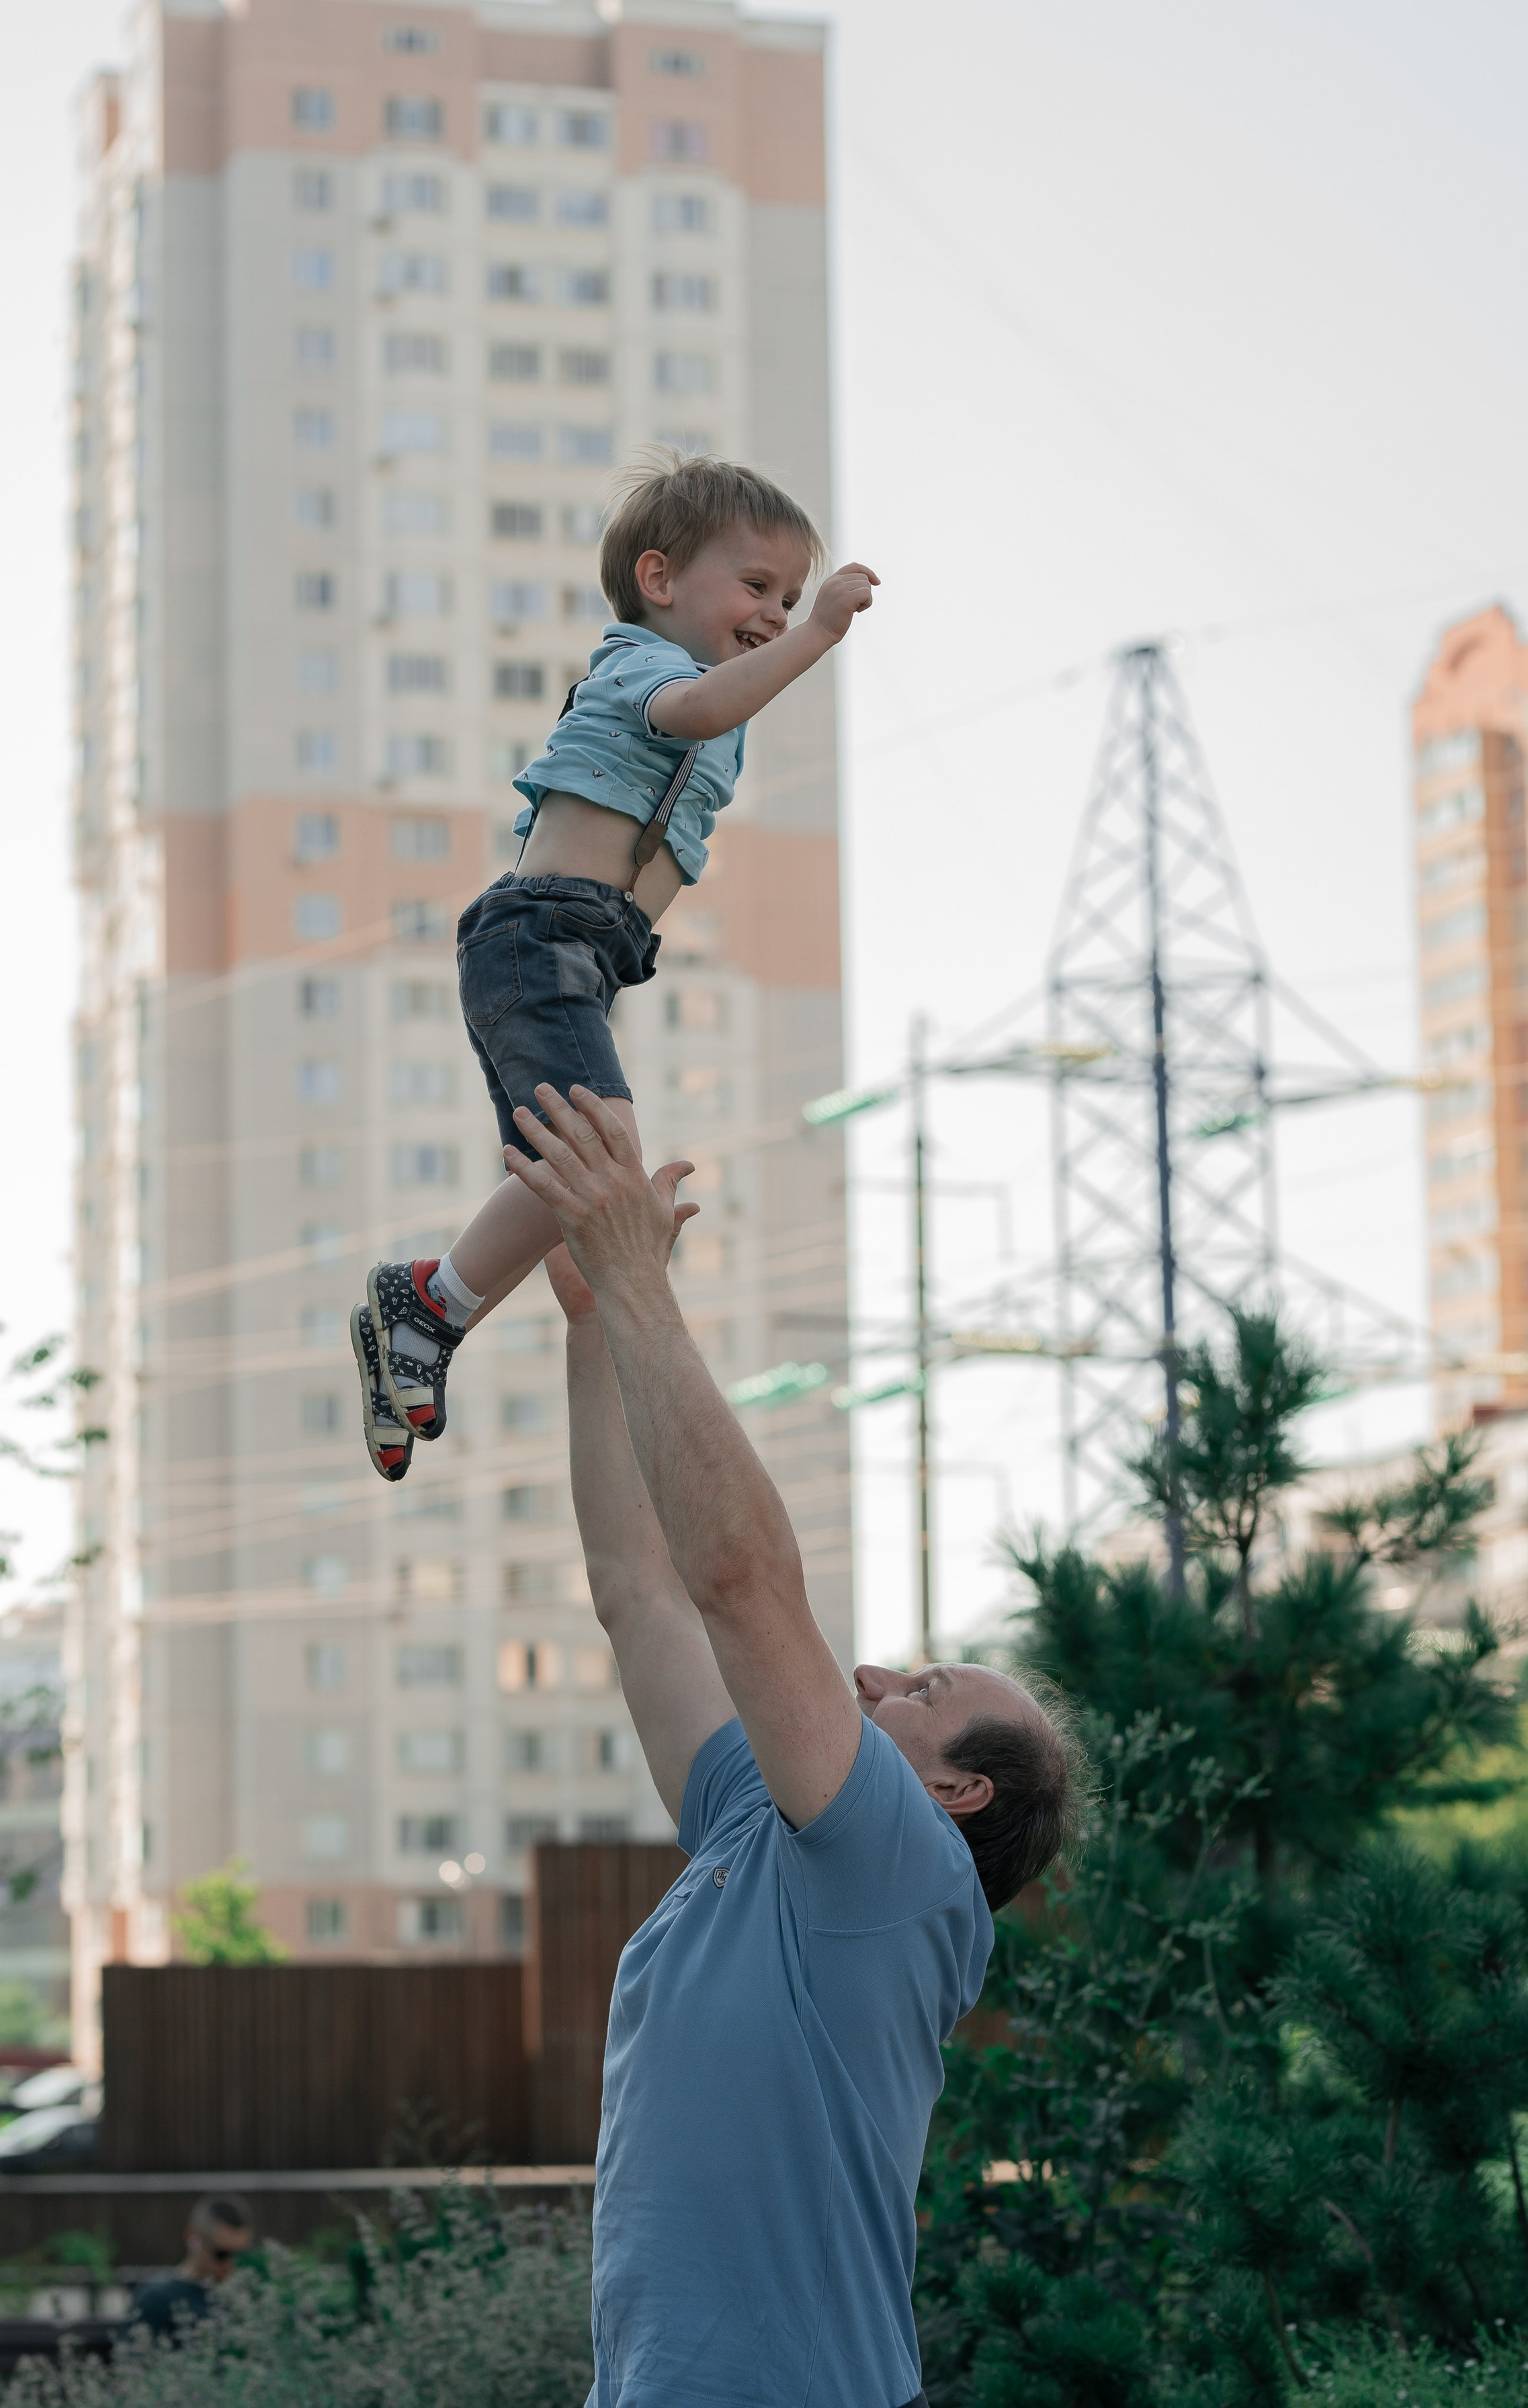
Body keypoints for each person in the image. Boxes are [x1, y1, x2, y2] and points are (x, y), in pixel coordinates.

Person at [509, 1085, 1087, 2408]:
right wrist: (596, 1325)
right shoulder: (750, 1826)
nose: (877, 1672)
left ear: (956, 1789)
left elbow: (739, 1581)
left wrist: (641, 1276)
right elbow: (637, 1591)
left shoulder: (899, 1871)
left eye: (923, 1685)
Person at [350, 449, 879, 1479]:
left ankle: (431, 1306)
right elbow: (703, 712)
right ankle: (432, 1302)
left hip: (580, 952)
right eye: (757, 588)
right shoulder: (644, 666)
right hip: (540, 933)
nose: (776, 613)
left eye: (790, 597)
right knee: (599, 1156)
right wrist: (820, 635)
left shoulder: (696, 676)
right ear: (660, 580)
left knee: (579, 1172)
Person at [131, 2193, 254, 2340]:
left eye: (242, 2256)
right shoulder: (157, 2299)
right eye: (221, 2254)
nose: (231, 2264)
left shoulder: (245, 2296)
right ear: (193, 2238)